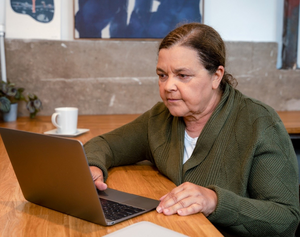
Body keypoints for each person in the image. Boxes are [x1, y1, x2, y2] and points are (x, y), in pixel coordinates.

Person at [83, 23, 300, 236]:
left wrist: (214, 201)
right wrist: (94, 166)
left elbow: (286, 219)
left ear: (216, 76)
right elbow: (105, 144)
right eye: (162, 75)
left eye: (183, 75)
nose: (168, 86)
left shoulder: (260, 123)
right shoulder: (160, 117)